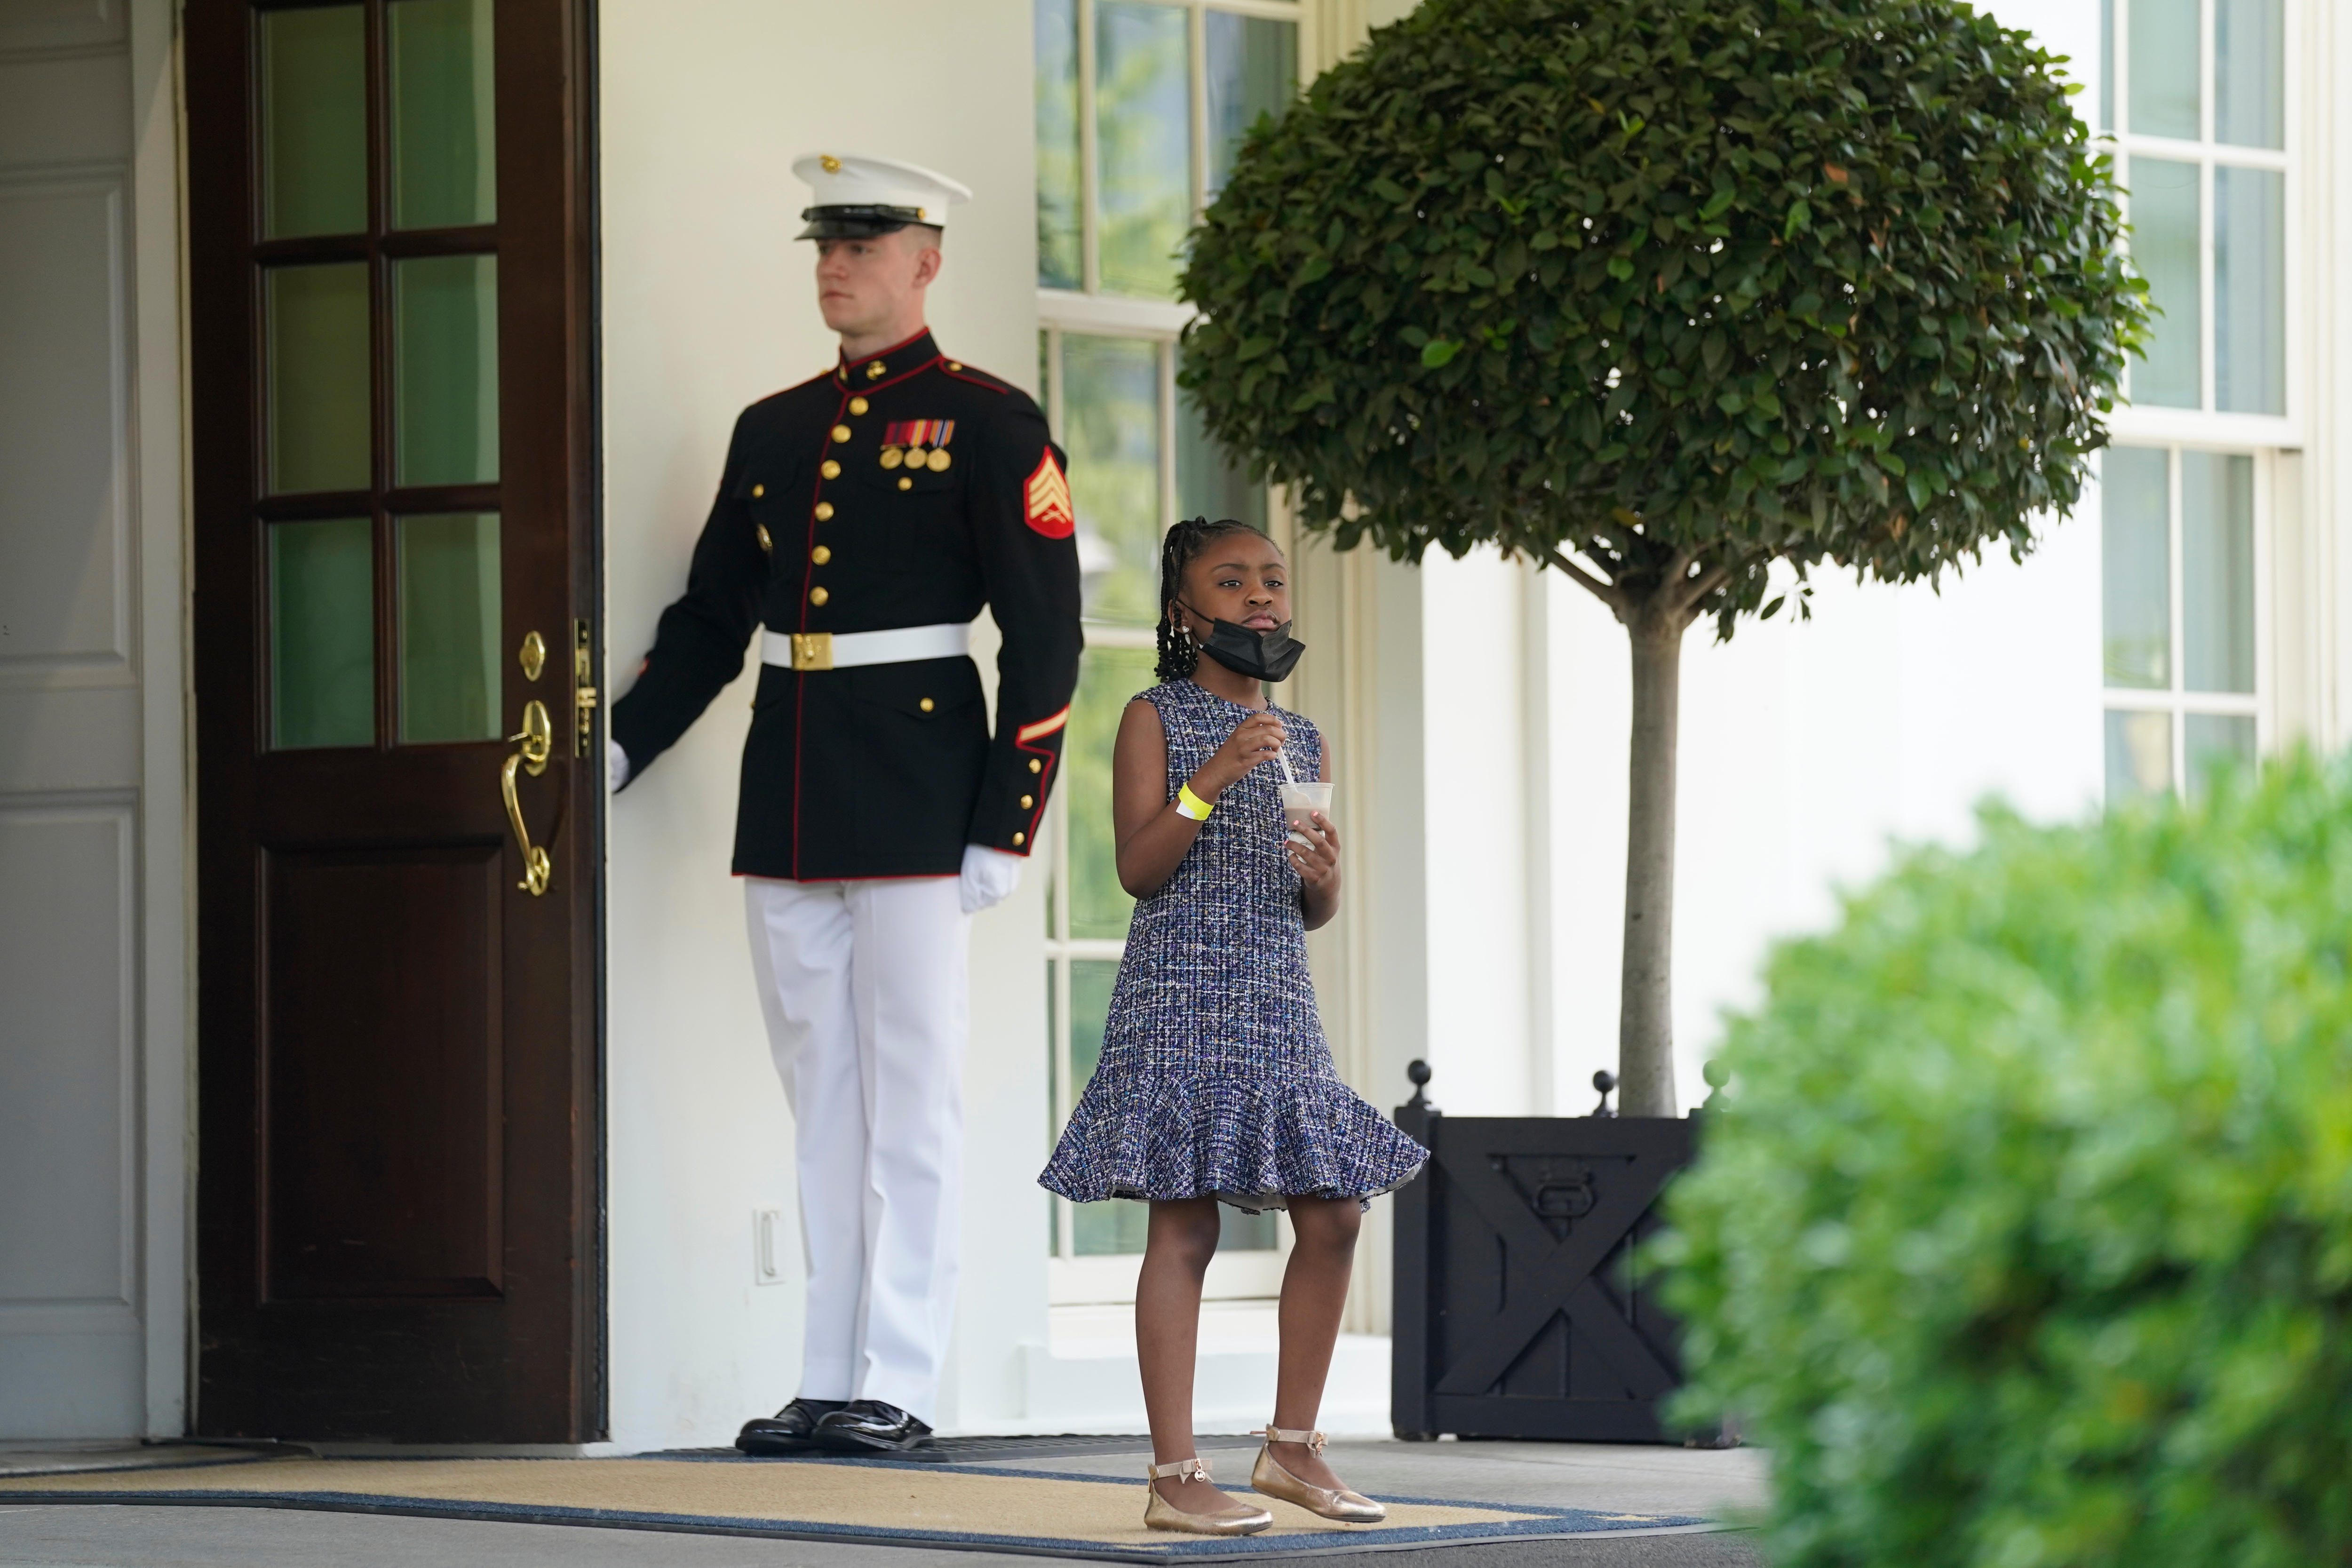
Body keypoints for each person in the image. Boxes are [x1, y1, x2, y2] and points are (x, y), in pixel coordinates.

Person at [610, 153, 1082, 1455]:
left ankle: (906, 1377)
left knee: (914, 1094)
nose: (837, 265)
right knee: (821, 1092)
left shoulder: (988, 420)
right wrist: (618, 748)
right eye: (826, 243)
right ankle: (828, 1371)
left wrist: (1006, 816)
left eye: (865, 246)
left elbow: (1045, 639)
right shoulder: (773, 427)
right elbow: (714, 619)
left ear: (926, 263)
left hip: (928, 792)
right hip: (797, 787)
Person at [1038, 518, 1427, 1534]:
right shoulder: (1153, 715)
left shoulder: (1305, 736)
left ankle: (1292, 1451)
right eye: (1232, 580)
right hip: (1177, 996)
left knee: (1335, 1210)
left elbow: (1309, 907)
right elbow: (1137, 868)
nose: (1260, 596)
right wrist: (1208, 780)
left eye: (1271, 579)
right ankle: (1174, 1472)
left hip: (1275, 995)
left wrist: (1327, 879)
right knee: (1187, 1219)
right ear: (1185, 608)